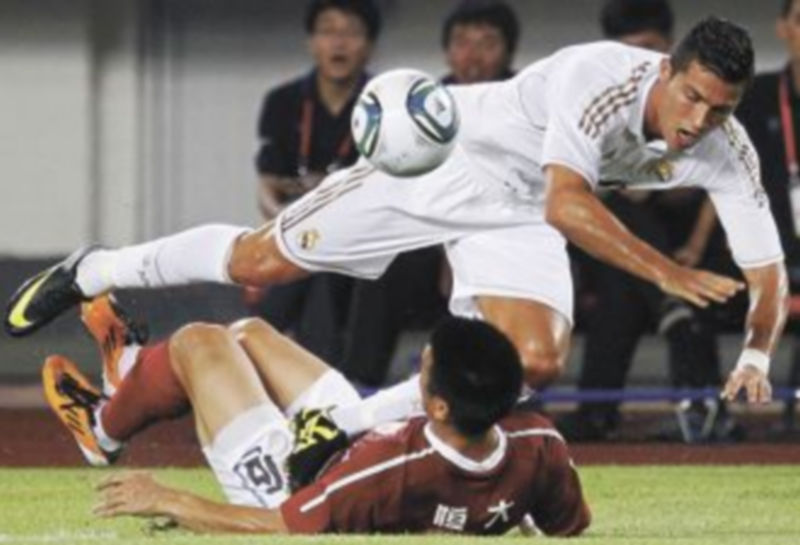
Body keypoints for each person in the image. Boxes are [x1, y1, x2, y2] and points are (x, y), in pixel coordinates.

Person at [7, 19, 786, 463]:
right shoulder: (602, 78)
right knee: (259, 259)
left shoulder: (726, 145)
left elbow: (768, 271)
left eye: (719, 110)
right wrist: (665, 273)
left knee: (535, 361)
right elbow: (568, 204)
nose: (696, 121)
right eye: (690, 96)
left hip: (514, 213)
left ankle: (336, 425)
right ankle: (96, 267)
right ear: (666, 71)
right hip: (445, 162)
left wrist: (753, 354)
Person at [44, 296, 590, 535]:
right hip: (354, 445)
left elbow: (279, 527)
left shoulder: (385, 467)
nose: (419, 367)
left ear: (439, 407)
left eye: (424, 370)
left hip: (296, 481)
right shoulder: (540, 445)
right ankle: (133, 374)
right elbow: (566, 527)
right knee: (251, 334)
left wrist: (164, 497)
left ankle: (103, 430)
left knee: (199, 343)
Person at [560, 0, 733, 442]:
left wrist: (687, 241)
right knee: (622, 267)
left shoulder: (702, 94)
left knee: (635, 283)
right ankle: (700, 407)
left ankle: (596, 412)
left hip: (696, 243)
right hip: (635, 254)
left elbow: (723, 182)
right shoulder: (602, 102)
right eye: (627, 51)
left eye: (650, 49)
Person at [339, 0, 521, 386]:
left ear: (508, 51)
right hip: (428, 244)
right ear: (447, 51)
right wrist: (444, 247)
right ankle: (355, 390)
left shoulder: (524, 106)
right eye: (461, 43)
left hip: (505, 245)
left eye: (487, 43)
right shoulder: (418, 108)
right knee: (378, 263)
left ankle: (505, 396)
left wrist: (461, 249)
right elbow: (395, 189)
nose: (472, 56)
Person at [247, 0, 381, 364]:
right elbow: (269, 187)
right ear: (312, 42)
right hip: (293, 232)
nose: (338, 43)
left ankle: (247, 347)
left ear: (369, 45)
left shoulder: (385, 106)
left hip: (366, 242)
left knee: (317, 254)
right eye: (328, 30)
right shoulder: (283, 101)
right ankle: (324, 378)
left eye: (351, 32)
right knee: (313, 253)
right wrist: (287, 221)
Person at [737, 0, 800, 430]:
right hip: (765, 250)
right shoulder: (756, 97)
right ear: (782, 27)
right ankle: (701, 412)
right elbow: (723, 179)